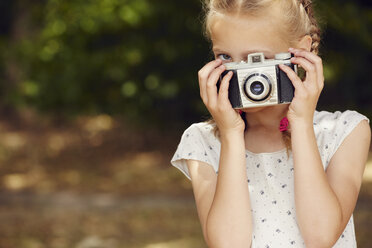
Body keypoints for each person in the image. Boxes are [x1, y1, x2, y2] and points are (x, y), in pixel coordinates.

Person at [171, 0, 371, 247]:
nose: (241, 74)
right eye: (225, 57)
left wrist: (301, 124)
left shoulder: (345, 131)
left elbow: (321, 237)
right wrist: (232, 133)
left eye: (257, 58)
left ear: (301, 52)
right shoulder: (203, 141)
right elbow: (229, 244)